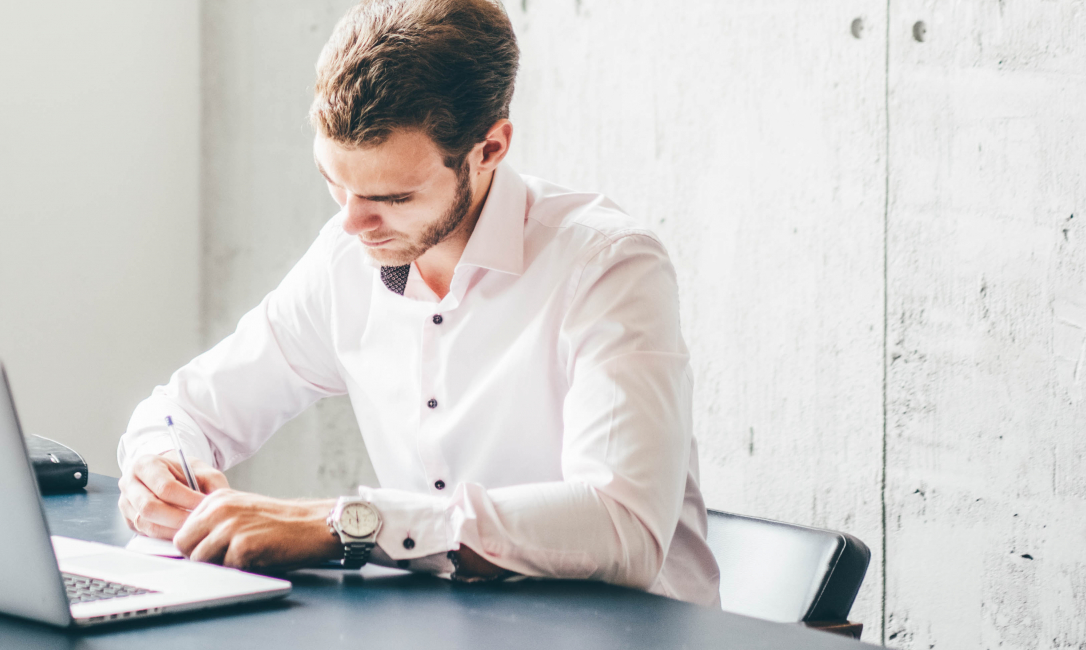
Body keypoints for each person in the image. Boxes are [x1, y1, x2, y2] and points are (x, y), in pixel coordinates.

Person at [114, 0, 719, 605]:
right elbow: (182, 412)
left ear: (490, 149)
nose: (352, 223)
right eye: (335, 182)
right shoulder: (347, 261)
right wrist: (158, 465)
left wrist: (349, 524)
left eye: (392, 196)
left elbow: (622, 526)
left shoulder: (606, 266)